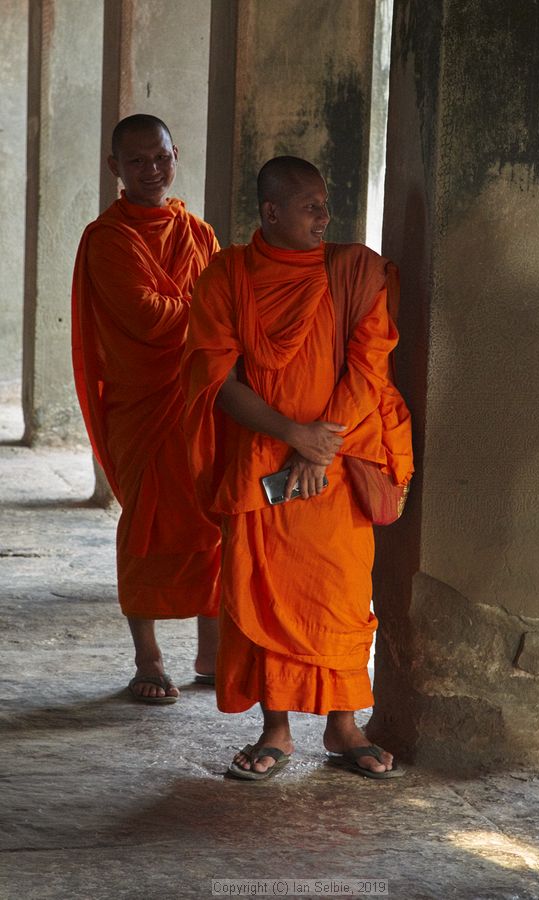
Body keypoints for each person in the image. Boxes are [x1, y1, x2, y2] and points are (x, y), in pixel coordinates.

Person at [182, 156, 413, 777]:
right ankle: (276, 729)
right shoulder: (228, 276)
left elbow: (370, 367)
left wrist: (322, 445)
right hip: (265, 463)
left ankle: (343, 725)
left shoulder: (355, 272)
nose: (323, 215)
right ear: (271, 212)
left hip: (335, 465)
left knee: (338, 592)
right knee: (263, 590)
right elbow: (217, 378)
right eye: (309, 205)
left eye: (325, 203)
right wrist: (293, 436)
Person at [72, 114, 221, 704]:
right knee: (147, 526)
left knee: (212, 518)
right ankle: (149, 657)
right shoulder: (108, 239)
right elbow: (148, 318)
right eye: (137, 162)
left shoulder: (197, 231)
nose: (151, 170)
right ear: (115, 169)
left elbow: (217, 309)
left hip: (198, 399)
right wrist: (203, 311)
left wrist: (200, 311)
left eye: (160, 157)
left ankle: (211, 652)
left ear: (175, 154)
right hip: (144, 404)